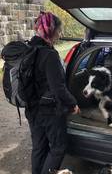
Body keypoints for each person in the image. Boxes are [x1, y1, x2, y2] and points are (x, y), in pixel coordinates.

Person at [25, 11, 80, 174]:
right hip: (49, 111)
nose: (60, 34)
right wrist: (73, 103)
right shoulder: (50, 55)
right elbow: (59, 89)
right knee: (58, 147)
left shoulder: (30, 48)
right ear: (51, 30)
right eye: (59, 30)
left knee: (39, 148)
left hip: (32, 108)